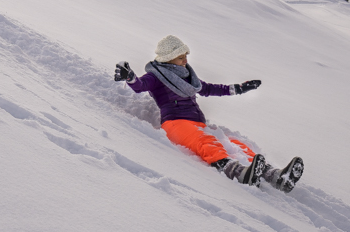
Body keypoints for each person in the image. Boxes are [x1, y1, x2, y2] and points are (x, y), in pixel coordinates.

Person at [114, 35, 303, 192]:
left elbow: (210, 88)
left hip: (197, 123)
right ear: (168, 58)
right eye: (181, 57)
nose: (185, 61)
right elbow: (140, 86)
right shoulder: (155, 75)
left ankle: (276, 176)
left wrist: (238, 88)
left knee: (235, 144)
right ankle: (238, 172)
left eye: (186, 56)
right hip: (175, 123)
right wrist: (129, 76)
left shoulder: (188, 76)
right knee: (205, 142)